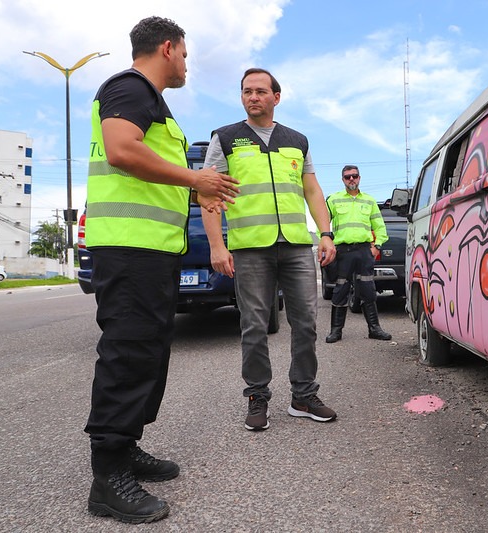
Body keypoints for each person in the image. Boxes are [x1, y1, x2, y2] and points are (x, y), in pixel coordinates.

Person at [83, 16, 239, 524]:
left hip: (151, 250)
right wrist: (198, 178)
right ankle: (107, 477)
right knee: (129, 353)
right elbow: (121, 150)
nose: (188, 64)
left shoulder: (153, 104)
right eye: (187, 55)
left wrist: (193, 184)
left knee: (149, 351)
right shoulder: (130, 88)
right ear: (168, 48)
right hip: (129, 249)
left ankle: (126, 447)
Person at [202, 67, 338, 432]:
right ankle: (257, 395)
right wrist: (217, 245)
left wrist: (325, 233)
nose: (253, 97)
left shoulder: (297, 140)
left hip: (295, 245)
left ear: (276, 97)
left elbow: (312, 190)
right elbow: (208, 193)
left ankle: (304, 395)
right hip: (250, 248)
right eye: (247, 91)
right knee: (254, 326)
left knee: (306, 322)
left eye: (261, 91)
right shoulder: (226, 138)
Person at [325, 165, 392, 343]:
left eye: (354, 176)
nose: (351, 179)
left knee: (368, 290)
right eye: (348, 177)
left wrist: (377, 246)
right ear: (343, 180)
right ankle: (336, 331)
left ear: (359, 178)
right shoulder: (334, 199)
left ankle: (374, 329)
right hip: (343, 252)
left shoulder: (369, 201)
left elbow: (379, 227)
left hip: (364, 251)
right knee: (341, 289)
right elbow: (322, 224)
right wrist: (327, 242)